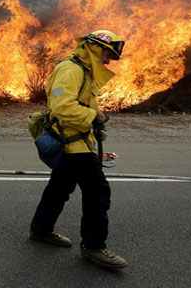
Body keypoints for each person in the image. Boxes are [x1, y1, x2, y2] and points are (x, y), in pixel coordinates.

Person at [29, 30, 127, 269]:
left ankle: (41, 229)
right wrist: (95, 116)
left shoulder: (83, 70)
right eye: (107, 54)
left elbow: (78, 104)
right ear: (95, 48)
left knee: (59, 187)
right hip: (73, 145)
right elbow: (63, 107)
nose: (108, 61)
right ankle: (94, 247)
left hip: (77, 141)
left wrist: (94, 123)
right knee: (98, 193)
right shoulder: (71, 70)